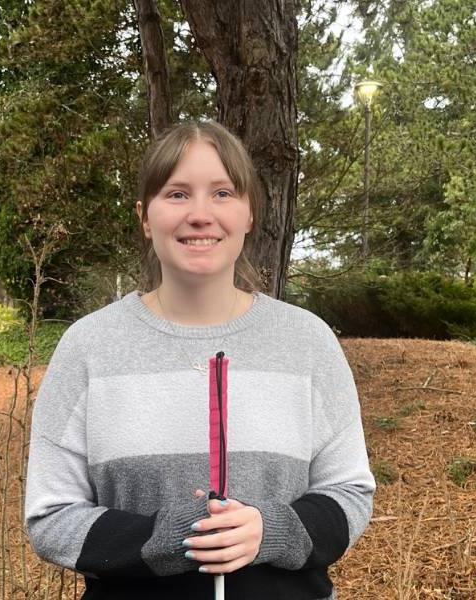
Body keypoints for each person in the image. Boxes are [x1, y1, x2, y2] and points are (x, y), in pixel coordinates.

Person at [24, 120, 375, 600]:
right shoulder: (88, 347)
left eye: (223, 193)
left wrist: (272, 531)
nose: (200, 214)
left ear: (250, 214)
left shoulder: (308, 341)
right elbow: (51, 515)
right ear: (145, 217)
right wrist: (169, 539)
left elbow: (350, 493)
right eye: (177, 194)